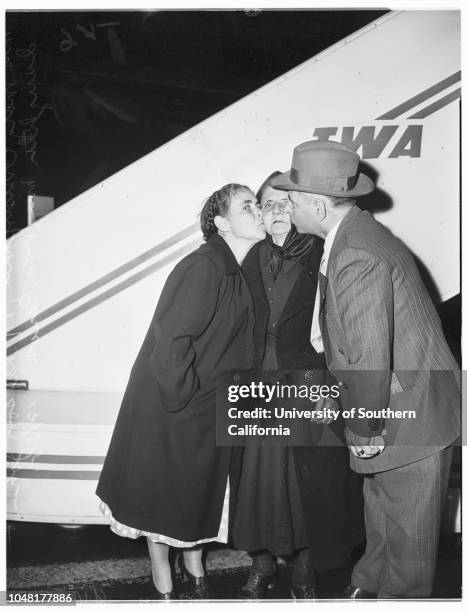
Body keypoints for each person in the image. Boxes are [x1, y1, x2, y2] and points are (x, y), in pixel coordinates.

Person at [270, 140, 460, 598]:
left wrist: (364, 427)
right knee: (384, 523)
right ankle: (364, 591)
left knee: (408, 554)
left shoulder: (356, 252)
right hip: (403, 410)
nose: (287, 207)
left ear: (317, 205)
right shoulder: (353, 236)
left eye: (291, 199)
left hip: (406, 420)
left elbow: (367, 355)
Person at [96, 183, 266, 600]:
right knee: (164, 492)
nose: (259, 210)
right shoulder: (205, 266)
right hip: (172, 401)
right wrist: (184, 399)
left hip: (201, 399)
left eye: (257, 203)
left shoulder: (237, 266)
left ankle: (191, 559)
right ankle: (161, 570)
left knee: (190, 491)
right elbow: (171, 341)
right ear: (222, 223)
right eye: (248, 206)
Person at [230, 172, 364, 599]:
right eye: (267, 205)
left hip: (307, 381)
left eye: (285, 204)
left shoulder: (323, 254)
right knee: (255, 481)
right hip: (258, 382)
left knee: (305, 484)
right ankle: (262, 563)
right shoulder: (252, 258)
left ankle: (305, 572)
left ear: (300, 210)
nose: (276, 212)